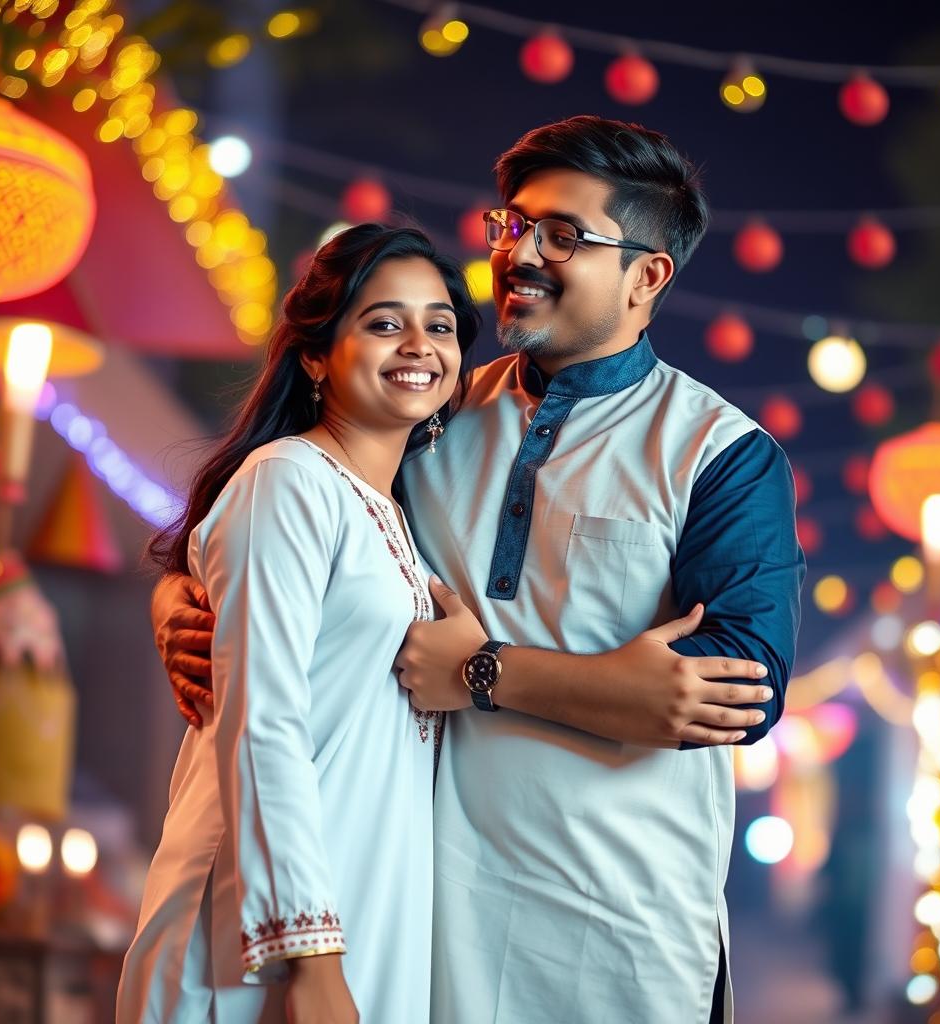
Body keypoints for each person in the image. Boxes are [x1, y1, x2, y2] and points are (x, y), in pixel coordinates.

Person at [152, 116, 805, 1024]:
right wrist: (180, 597)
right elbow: (296, 519)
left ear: (648, 275)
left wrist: (480, 671)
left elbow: (740, 692)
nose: (521, 253)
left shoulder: (719, 453)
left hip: (619, 930)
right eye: (513, 224)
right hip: (424, 921)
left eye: (564, 236)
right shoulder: (438, 414)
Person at [116, 225, 481, 1024]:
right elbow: (264, 725)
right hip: (259, 939)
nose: (419, 343)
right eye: (385, 322)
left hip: (364, 917)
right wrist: (308, 957)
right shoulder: (287, 481)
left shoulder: (391, 513)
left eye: (441, 324)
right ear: (317, 356)